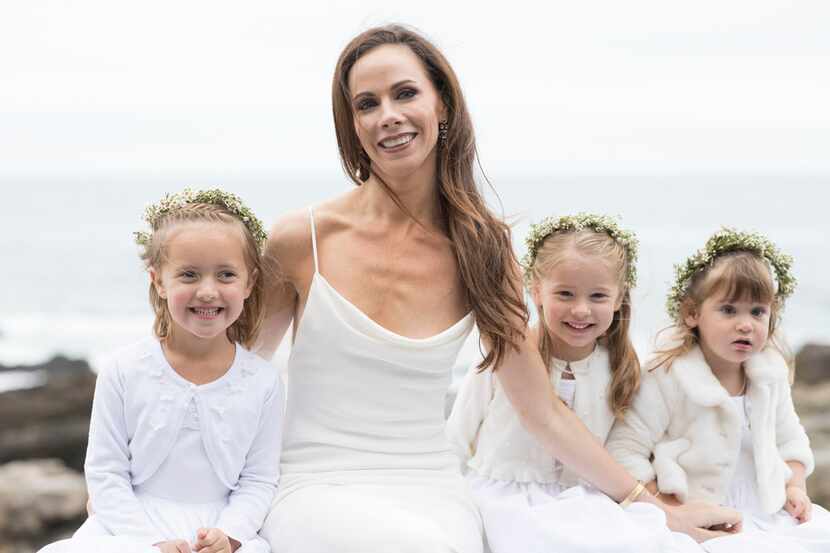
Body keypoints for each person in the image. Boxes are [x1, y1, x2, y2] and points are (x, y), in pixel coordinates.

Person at [257, 24, 741, 553]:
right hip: (313, 483)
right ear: (352, 124)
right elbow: (235, 376)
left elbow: (542, 410)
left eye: (405, 93)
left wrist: (650, 509)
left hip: (432, 486)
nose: (388, 115)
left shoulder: (482, 247)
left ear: (442, 104)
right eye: (366, 103)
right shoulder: (299, 240)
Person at [39, 189, 284, 553]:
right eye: (188, 274)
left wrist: (230, 535)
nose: (207, 291)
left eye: (226, 275)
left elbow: (259, 480)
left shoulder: (264, 382)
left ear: (248, 283)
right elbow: (106, 474)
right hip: (130, 528)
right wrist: (148, 542)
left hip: (219, 531)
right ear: (158, 281)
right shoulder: (123, 370)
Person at [447, 214, 701, 553]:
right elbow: (457, 438)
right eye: (565, 294)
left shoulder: (620, 367)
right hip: (505, 497)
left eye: (597, 296)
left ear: (618, 297)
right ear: (537, 291)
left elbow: (629, 447)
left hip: (586, 500)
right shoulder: (504, 360)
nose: (580, 310)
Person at [607, 228, 830, 553]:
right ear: (692, 313)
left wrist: (796, 487)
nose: (746, 324)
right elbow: (625, 450)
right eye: (728, 310)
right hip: (696, 516)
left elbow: (791, 439)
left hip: (767, 511)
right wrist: (666, 505)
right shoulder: (667, 376)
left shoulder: (770, 374)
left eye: (758, 312)